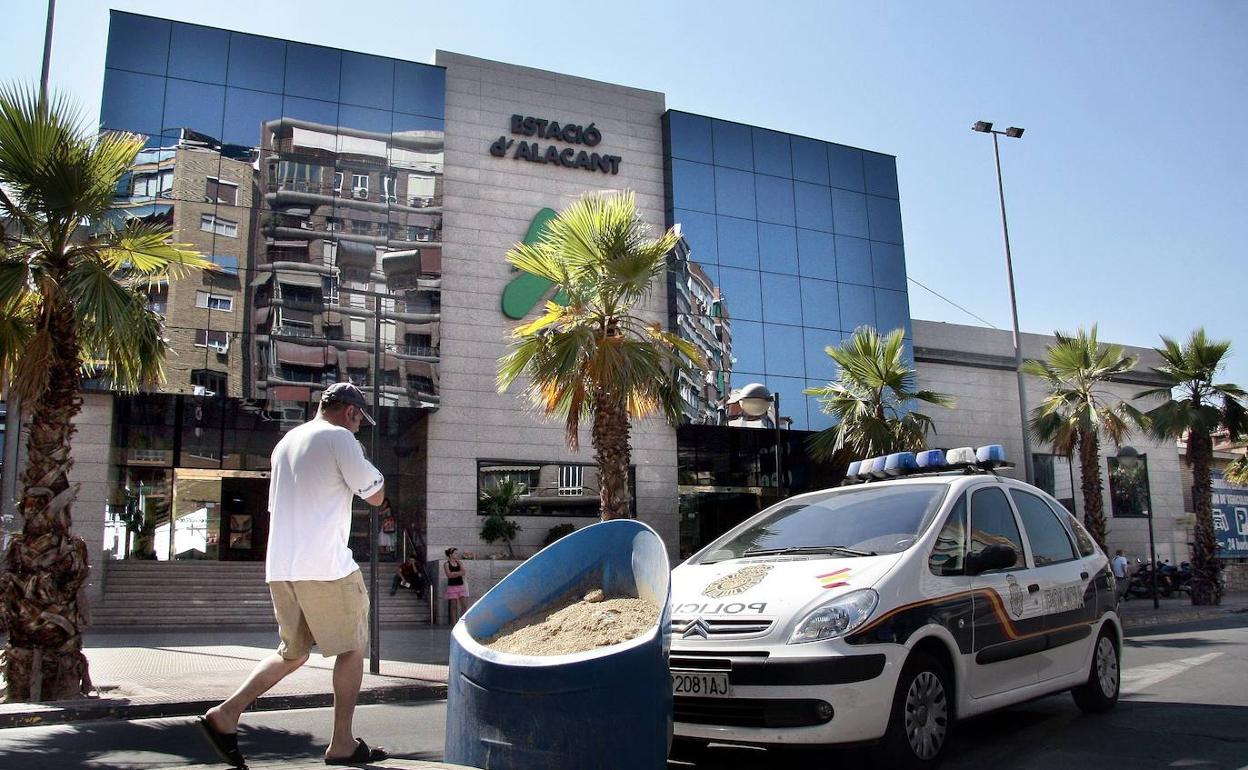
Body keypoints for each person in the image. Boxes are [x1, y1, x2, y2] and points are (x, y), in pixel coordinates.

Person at [196, 383, 389, 768]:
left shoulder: (285, 443)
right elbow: (375, 495)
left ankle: (226, 714)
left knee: (293, 652)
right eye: (358, 422)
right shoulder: (339, 439)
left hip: (282, 566)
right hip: (327, 566)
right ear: (350, 412)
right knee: (352, 648)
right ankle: (342, 744)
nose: (357, 428)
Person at [444, 547, 469, 625]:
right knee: (453, 606)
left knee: (464, 605)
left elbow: (463, 572)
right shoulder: (446, 564)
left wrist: (454, 573)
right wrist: (458, 573)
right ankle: (454, 624)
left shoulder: (459, 563)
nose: (457, 555)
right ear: (450, 555)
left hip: (461, 586)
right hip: (452, 587)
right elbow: (449, 575)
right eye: (455, 553)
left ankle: (461, 622)